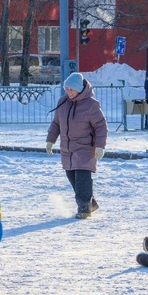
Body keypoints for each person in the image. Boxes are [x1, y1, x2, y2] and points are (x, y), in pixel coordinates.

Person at [46, 72, 108, 219]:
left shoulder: (91, 105)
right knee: (72, 177)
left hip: (85, 148)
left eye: (71, 89)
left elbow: (101, 126)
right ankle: (90, 203)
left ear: (79, 89)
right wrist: (50, 140)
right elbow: (56, 123)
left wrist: (100, 146)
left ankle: (84, 209)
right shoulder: (63, 102)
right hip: (67, 149)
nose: (68, 92)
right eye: (66, 89)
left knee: (82, 179)